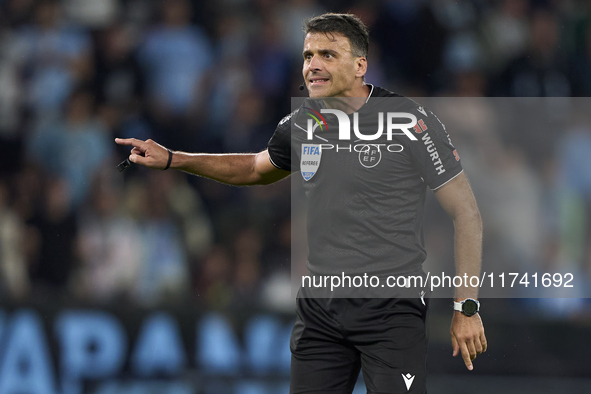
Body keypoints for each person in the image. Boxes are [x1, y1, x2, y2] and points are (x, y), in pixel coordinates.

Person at [116, 13, 486, 394]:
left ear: (361, 65)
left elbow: (467, 213)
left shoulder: (411, 122)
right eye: (308, 55)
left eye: (327, 54)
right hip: (321, 310)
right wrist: (175, 158)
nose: (313, 65)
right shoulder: (301, 124)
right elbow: (255, 169)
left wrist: (467, 307)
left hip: (391, 310)